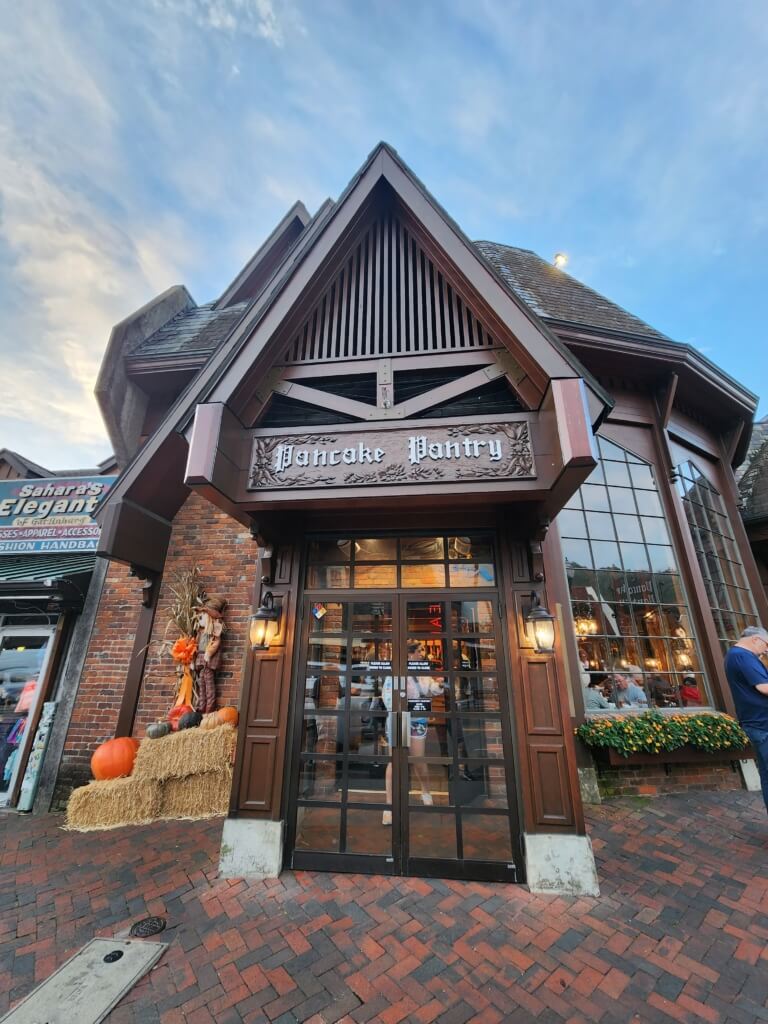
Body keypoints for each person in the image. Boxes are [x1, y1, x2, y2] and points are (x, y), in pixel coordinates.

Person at [381, 641, 443, 825]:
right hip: (400, 718)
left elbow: (430, 688)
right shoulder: (395, 671)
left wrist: (439, 685)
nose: (422, 654)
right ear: (410, 654)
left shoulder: (421, 671)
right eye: (419, 651)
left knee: (418, 759)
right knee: (395, 761)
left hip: (417, 718)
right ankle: (389, 806)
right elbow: (387, 697)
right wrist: (402, 703)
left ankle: (426, 791)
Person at [724, 625, 768, 814]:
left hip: (757, 723)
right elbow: (764, 687)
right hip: (762, 723)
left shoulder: (736, 655)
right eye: (766, 645)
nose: (766, 650)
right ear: (756, 639)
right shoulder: (743, 656)